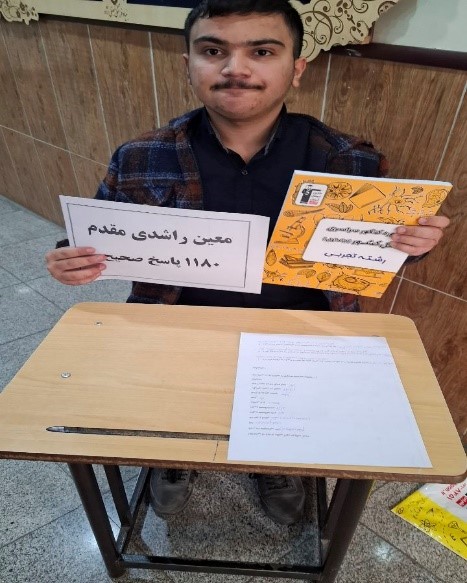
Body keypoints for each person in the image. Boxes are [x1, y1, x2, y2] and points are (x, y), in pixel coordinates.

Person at [45, 0, 449, 526]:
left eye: (262, 51)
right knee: (176, 403)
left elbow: (376, 252)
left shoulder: (348, 159)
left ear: (296, 69)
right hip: (176, 324)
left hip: (302, 330)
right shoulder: (142, 155)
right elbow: (97, 233)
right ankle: (174, 453)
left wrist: (413, 243)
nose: (235, 68)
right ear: (188, 65)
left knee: (292, 417)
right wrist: (70, 258)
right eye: (213, 51)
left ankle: (274, 461)